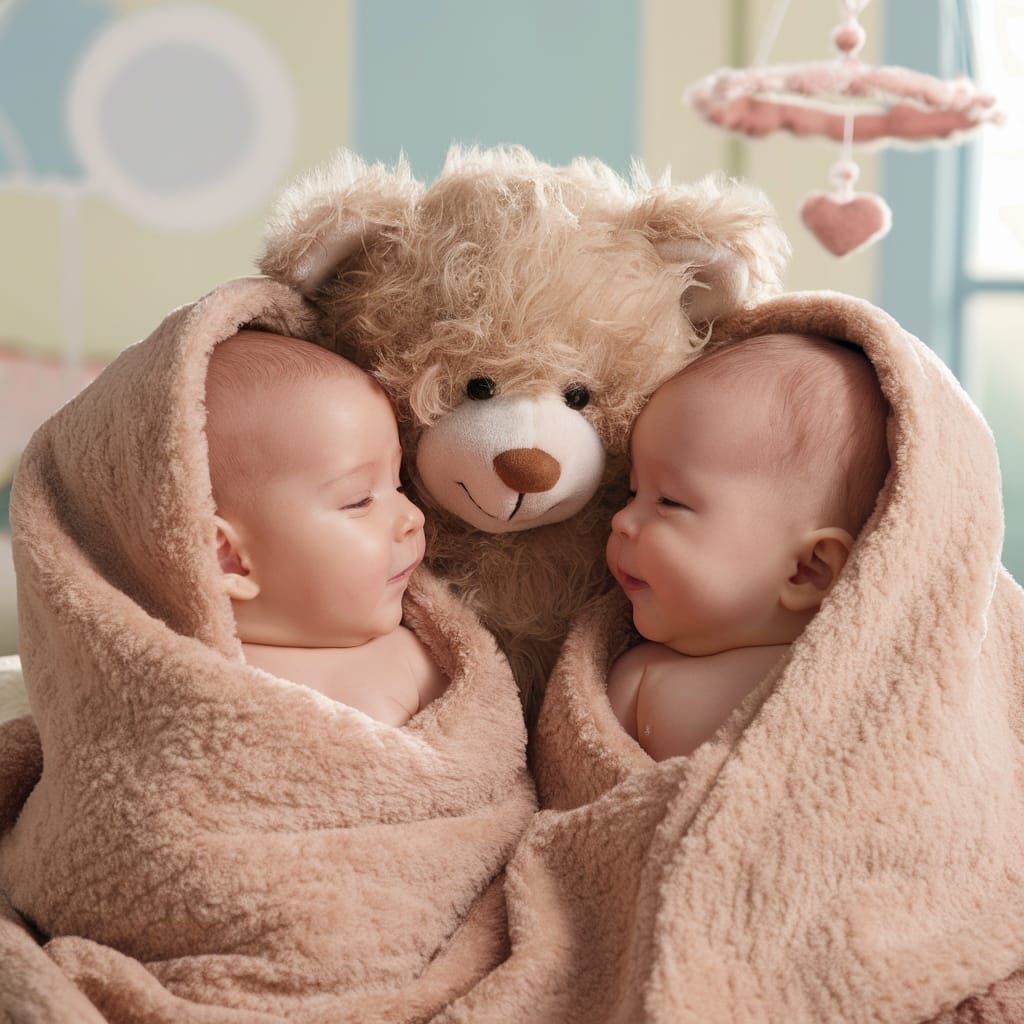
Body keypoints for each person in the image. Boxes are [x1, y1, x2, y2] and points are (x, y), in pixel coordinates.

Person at [604, 331, 891, 761]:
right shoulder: (640, 679)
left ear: (807, 570)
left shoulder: (876, 684)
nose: (621, 520)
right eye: (631, 493)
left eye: (669, 501)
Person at [205, 330, 448, 726]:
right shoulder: (176, 678)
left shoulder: (407, 662)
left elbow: (485, 767)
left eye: (398, 483)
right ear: (230, 559)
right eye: (359, 500)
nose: (413, 517)